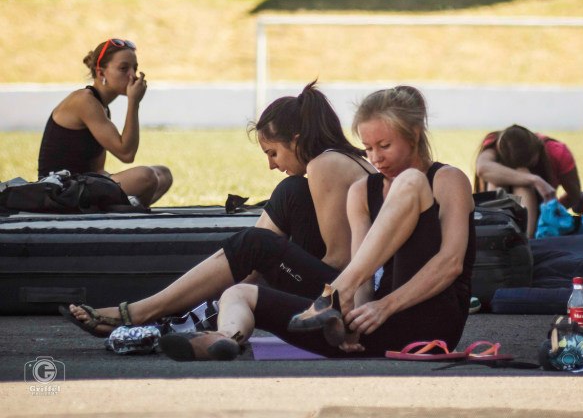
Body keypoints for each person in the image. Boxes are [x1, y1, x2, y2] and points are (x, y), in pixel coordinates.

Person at [157, 85, 475, 362]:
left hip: (431, 323)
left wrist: (386, 306)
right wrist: (350, 324)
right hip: (377, 324)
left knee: (411, 181)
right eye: (368, 148)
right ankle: (225, 338)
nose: (375, 157)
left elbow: (450, 264)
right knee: (239, 294)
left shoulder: (447, 179)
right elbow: (366, 280)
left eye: (385, 146)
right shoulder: (362, 192)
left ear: (414, 136)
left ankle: (334, 294)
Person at [63, 81, 374, 337]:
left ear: (296, 140)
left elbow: (342, 261)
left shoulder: (326, 164)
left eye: (273, 153)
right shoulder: (337, 161)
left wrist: (273, 269)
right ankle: (205, 308)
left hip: (346, 293)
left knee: (254, 243)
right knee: (289, 192)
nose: (271, 165)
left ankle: (146, 311)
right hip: (341, 281)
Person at [37, 38, 172, 206]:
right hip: (60, 190)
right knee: (146, 177)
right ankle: (127, 211)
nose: (132, 75)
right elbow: (126, 154)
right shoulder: (84, 101)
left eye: (134, 68)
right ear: (101, 73)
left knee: (163, 175)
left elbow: (97, 169)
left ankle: (125, 209)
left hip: (82, 184)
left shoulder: (101, 106)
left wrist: (111, 180)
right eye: (124, 68)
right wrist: (134, 103)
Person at [474, 125, 581, 236]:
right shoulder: (497, 143)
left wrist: (551, 208)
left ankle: (525, 239)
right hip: (501, 213)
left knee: (522, 181)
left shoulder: (556, 151)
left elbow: (574, 196)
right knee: (496, 178)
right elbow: (482, 168)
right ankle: (498, 237)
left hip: (537, 216)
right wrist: (535, 180)